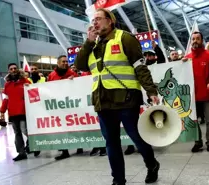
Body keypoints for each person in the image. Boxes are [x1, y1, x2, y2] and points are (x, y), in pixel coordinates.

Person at [75, 8, 160, 185]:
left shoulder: (125, 38)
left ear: (110, 20)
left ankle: (151, 164)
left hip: (126, 98)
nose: (95, 23)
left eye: (98, 19)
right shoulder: (93, 45)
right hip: (103, 101)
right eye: (93, 21)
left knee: (137, 136)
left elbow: (140, 67)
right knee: (111, 143)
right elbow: (80, 66)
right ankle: (118, 180)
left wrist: (151, 91)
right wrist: (88, 43)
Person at [183, 32, 209, 153]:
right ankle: (197, 142)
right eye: (193, 39)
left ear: (202, 40)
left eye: (198, 39)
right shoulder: (187, 59)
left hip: (208, 95)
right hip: (193, 96)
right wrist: (180, 66)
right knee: (194, 121)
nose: (195, 41)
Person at [48, 55, 86, 160]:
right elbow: (47, 90)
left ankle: (79, 146)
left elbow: (80, 86)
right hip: (59, 106)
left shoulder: (72, 74)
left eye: (66, 61)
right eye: (63, 61)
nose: (65, 63)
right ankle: (64, 151)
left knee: (75, 127)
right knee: (61, 128)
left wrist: (74, 81)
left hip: (71, 105)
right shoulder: (52, 76)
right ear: (58, 63)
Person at [0, 63, 35, 161]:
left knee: (24, 130)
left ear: (18, 70)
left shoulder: (25, 81)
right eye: (11, 69)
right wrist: (2, 110)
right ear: (9, 71)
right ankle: (21, 152)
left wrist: (29, 87)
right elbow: (6, 99)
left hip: (23, 111)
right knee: (17, 133)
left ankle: (35, 144)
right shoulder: (7, 84)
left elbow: (33, 93)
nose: (13, 70)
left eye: (15, 68)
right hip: (13, 112)